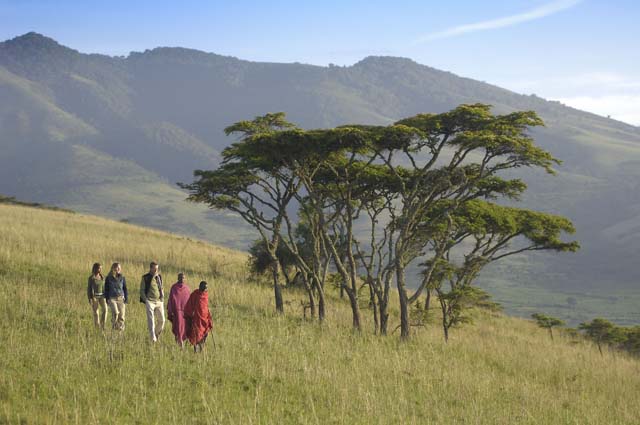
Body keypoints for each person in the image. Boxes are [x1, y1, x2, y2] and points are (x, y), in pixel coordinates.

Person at [140, 262, 165, 342]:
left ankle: (156, 333)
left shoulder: (159, 277)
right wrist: (146, 300)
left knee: (162, 320)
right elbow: (142, 290)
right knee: (151, 320)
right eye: (155, 268)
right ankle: (152, 339)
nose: (156, 270)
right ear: (150, 268)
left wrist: (162, 297)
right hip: (150, 301)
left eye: (157, 268)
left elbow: (161, 288)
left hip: (159, 301)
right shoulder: (145, 278)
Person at [184, 281, 213, 353]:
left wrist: (209, 316)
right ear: (200, 287)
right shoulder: (195, 294)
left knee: (205, 334)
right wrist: (190, 315)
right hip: (197, 319)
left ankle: (201, 348)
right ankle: (196, 350)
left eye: (206, 288)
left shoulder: (206, 295)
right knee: (197, 334)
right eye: (204, 287)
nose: (205, 289)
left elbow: (206, 307)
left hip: (205, 319)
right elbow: (189, 305)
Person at [167, 273, 191, 348]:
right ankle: (181, 346)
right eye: (180, 277)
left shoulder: (187, 288)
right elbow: (171, 300)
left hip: (184, 313)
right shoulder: (174, 287)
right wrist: (171, 311)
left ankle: (180, 345)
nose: (182, 279)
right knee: (178, 329)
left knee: (184, 329)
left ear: (185, 279)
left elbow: (189, 300)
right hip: (176, 312)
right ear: (178, 278)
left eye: (183, 278)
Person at [104, 263, 128, 331]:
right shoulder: (108, 278)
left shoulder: (122, 277)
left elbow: (125, 288)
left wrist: (126, 298)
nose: (118, 269)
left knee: (122, 316)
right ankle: (114, 327)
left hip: (121, 298)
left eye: (119, 268)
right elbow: (106, 289)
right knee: (115, 313)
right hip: (112, 298)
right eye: (117, 268)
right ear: (113, 268)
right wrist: (107, 299)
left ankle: (119, 332)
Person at [87, 262, 106, 330]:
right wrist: (90, 298)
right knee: (96, 313)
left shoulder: (102, 277)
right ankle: (97, 327)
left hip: (102, 296)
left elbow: (104, 287)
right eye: (99, 268)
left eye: (101, 268)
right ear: (95, 269)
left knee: (105, 310)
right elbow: (89, 289)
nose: (100, 269)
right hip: (94, 297)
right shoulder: (91, 278)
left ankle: (102, 325)